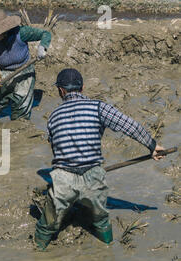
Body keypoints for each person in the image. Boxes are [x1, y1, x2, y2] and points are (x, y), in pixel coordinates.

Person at [33, 68, 166, 250]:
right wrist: (152, 145)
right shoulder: (98, 107)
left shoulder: (53, 117)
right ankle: (107, 248)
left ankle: (38, 251)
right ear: (83, 88)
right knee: (101, 220)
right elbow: (129, 125)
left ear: (61, 91)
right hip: (94, 177)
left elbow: (55, 148)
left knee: (47, 225)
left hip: (63, 179)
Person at [0, 7, 51, 121]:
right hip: (3, 73)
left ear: (5, 29)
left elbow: (45, 34)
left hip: (24, 71)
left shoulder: (21, 32)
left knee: (21, 108)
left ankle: (19, 125)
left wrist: (43, 47)